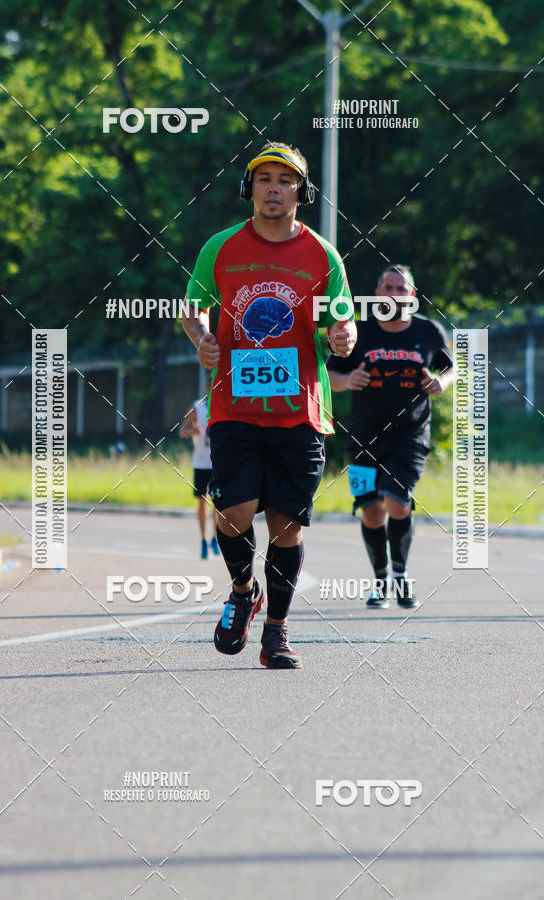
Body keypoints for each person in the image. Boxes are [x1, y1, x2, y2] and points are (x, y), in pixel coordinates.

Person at [181, 141, 356, 668]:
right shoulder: (221, 247)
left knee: (287, 527)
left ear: (301, 191)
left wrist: (343, 336)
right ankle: (242, 590)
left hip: (299, 411)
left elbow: (338, 322)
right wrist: (201, 336)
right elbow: (193, 307)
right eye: (264, 180)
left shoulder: (323, 254)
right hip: (233, 406)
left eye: (285, 180)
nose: (274, 188)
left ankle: (276, 632)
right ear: (249, 190)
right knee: (230, 515)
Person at [327, 264, 455, 609]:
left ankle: (400, 576)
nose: (395, 293)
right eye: (388, 287)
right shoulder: (360, 332)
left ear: (412, 296)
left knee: (397, 500)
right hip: (363, 438)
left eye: (402, 288)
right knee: (370, 510)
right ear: (377, 293)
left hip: (410, 436)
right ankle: (381, 579)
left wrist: (439, 383)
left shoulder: (429, 331)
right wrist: (347, 380)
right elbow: (330, 374)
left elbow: (451, 367)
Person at [178, 377, 220, 559]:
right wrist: (192, 431)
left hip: (219, 463)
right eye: (212, 386)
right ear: (207, 387)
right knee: (202, 502)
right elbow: (182, 430)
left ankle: (215, 539)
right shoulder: (197, 408)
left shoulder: (223, 407)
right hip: (201, 463)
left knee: (218, 504)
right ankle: (203, 541)